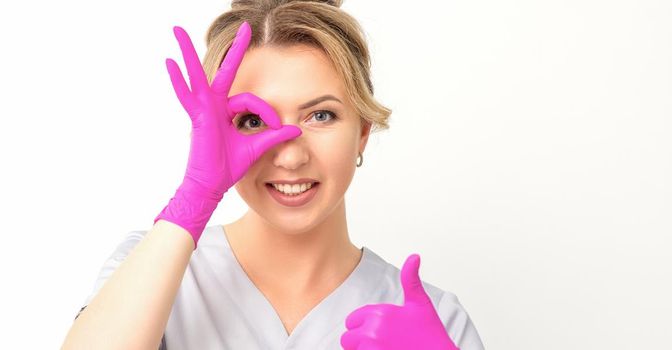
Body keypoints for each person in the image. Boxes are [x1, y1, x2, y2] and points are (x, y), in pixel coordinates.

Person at [61, 1, 484, 349]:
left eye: (321, 115)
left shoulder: (432, 318)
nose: (290, 156)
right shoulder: (156, 265)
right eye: (252, 121)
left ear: (362, 133)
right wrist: (196, 194)